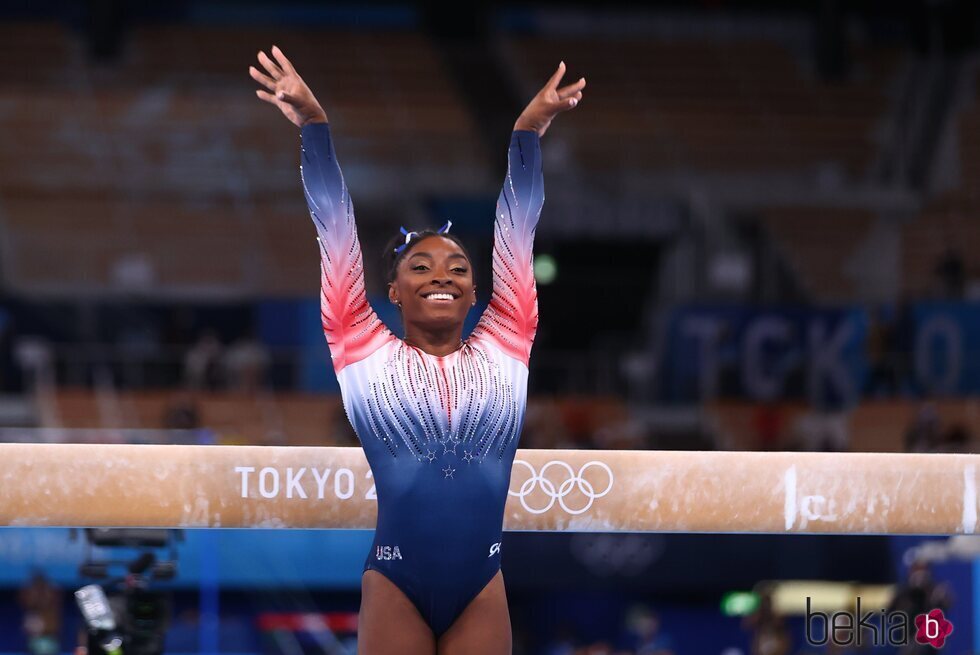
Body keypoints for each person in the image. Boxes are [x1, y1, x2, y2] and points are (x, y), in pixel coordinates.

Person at [250, 45, 584, 654]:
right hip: (396, 582)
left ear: (477, 290)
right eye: (421, 266)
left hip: (481, 583)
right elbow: (333, 223)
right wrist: (314, 129)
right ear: (393, 292)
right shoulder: (359, 342)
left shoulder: (509, 338)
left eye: (457, 267)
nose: (441, 275)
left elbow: (518, 226)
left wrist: (527, 134)